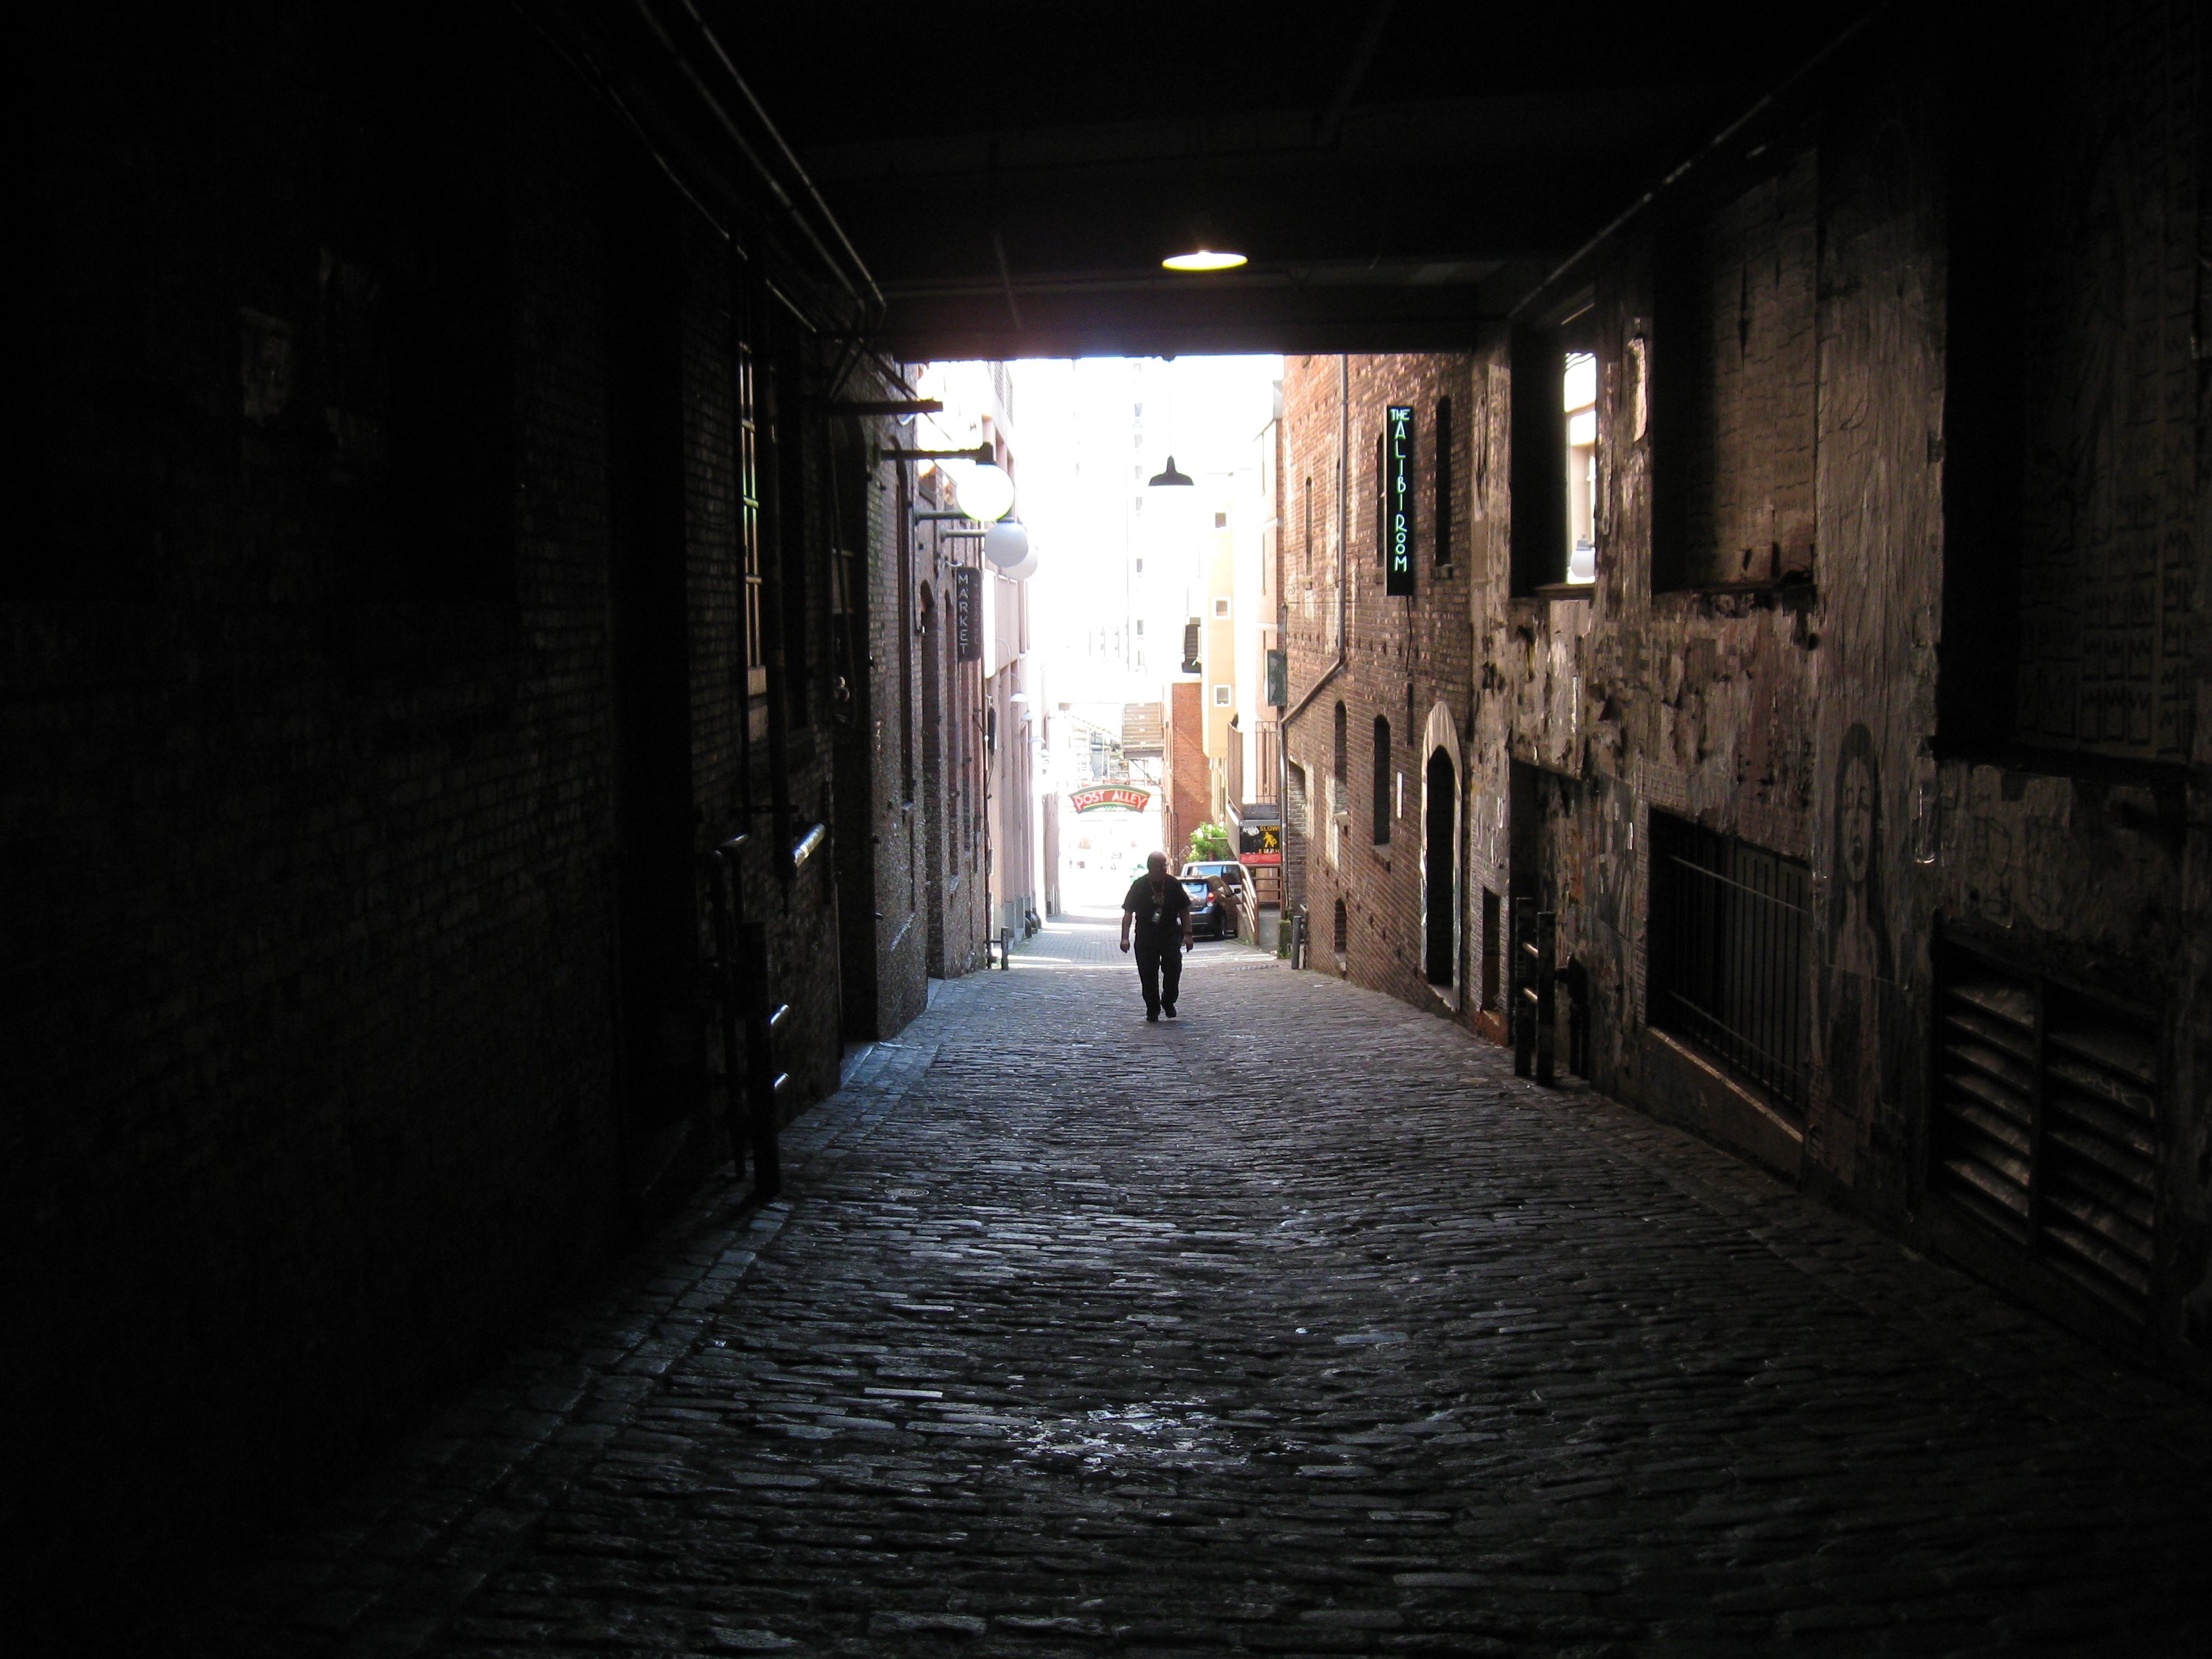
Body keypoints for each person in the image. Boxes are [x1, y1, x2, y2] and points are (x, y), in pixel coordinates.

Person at [1120, 851, 1194, 1021]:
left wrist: (1188, 934)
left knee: (1174, 969)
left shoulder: (1173, 884)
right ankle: (1152, 1009)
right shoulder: (1139, 886)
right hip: (1146, 936)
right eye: (1160, 866)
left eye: (1165, 865)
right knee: (1148, 974)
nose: (1163, 869)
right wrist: (1125, 938)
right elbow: (1128, 913)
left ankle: (1168, 1000)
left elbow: (1184, 910)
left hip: (1170, 934)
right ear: (1151, 867)